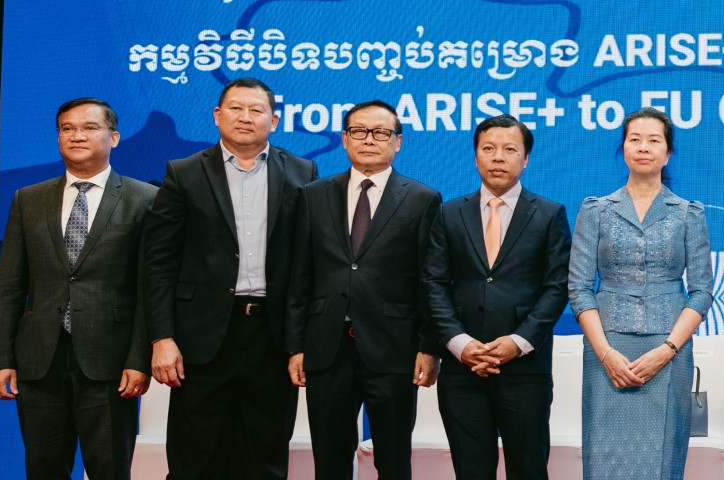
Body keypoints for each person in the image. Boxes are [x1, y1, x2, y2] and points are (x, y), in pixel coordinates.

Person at [143, 77, 317, 479]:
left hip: (271, 337)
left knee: (264, 459)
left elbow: (307, 264)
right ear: (217, 116)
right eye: (236, 108)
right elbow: (158, 262)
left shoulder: (302, 172)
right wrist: (161, 337)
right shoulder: (184, 172)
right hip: (201, 336)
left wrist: (300, 340)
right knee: (194, 460)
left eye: (256, 110)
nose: (245, 117)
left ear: (274, 121)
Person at [0, 98, 156, 480]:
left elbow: (150, 290)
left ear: (114, 137)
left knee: (109, 469)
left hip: (110, 362)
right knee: (43, 469)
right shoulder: (28, 199)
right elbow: (10, 286)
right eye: (67, 129)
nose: (77, 135)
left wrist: (137, 359)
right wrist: (0, 357)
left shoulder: (143, 198)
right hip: (39, 360)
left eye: (90, 127)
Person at [284, 99, 444, 479]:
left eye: (381, 132)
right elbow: (299, 276)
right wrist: (296, 346)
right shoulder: (313, 195)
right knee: (331, 460)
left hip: (394, 349)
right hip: (326, 349)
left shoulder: (422, 199)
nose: (369, 139)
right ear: (344, 139)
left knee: (393, 460)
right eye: (359, 131)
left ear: (398, 142)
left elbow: (430, 279)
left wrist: (429, 345)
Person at [422, 114, 570, 480]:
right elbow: (433, 283)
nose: (498, 157)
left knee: (529, 468)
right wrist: (458, 343)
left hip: (524, 368)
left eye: (509, 149)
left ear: (526, 159)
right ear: (475, 157)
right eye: (488, 149)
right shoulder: (449, 213)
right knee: (471, 470)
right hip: (463, 367)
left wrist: (519, 342)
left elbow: (558, 286)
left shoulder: (550, 214)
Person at [568, 107, 713, 480]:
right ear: (623, 148)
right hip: (608, 349)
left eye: (654, 140)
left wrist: (667, 350)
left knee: (662, 460)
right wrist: (606, 353)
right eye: (635, 139)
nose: (643, 147)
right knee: (606, 460)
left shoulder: (687, 213)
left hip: (669, 348)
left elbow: (701, 292)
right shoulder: (596, 210)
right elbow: (580, 288)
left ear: (667, 153)